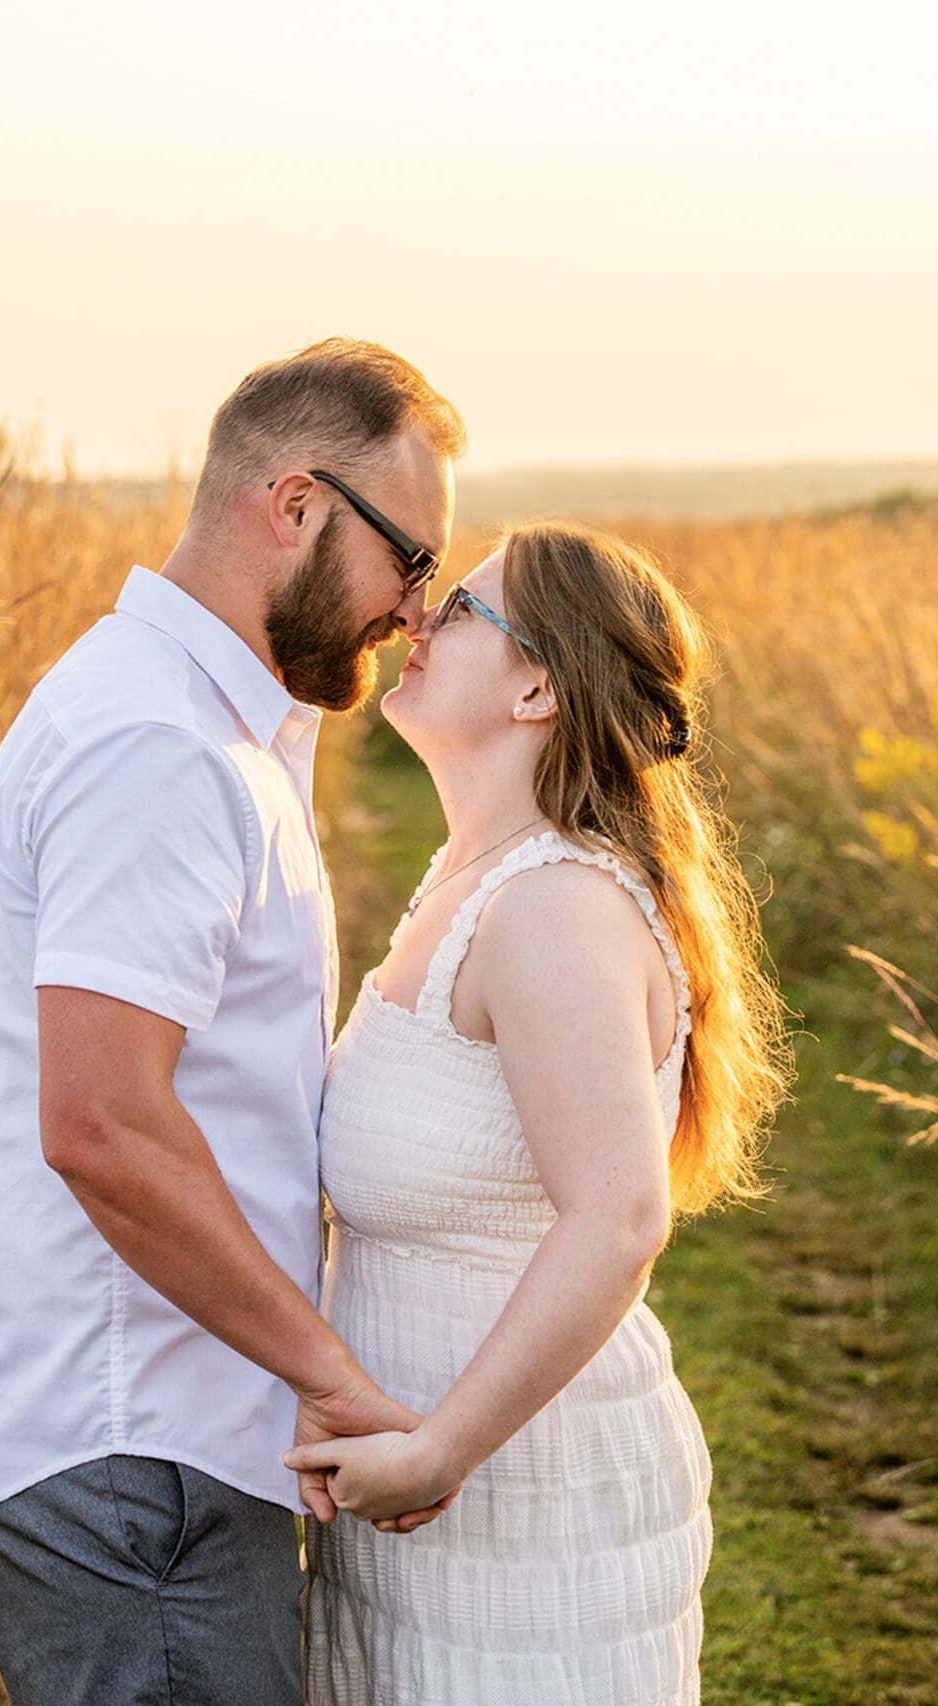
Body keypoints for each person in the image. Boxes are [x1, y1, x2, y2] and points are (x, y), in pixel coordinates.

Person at [0, 339, 465, 1704]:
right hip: (121, 1452)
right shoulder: (154, 743)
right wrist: (325, 1370)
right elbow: (103, 1123)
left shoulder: (207, 729)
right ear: (296, 504)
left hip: (161, 1430)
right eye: (410, 558)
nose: (413, 611)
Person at [284, 524, 793, 1704]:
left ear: (538, 686)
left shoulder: (553, 906)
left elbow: (619, 1215)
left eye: (457, 608)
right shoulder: (471, 877)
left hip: (523, 1492)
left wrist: (437, 1448)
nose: (414, 618)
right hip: (422, 1497)